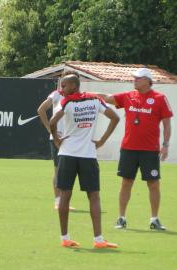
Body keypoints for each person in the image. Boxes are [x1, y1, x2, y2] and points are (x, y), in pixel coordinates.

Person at [97, 68, 173, 230]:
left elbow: (167, 124)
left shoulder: (160, 99)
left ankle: (154, 219)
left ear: (147, 80)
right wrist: (84, 94)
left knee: (153, 184)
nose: (135, 80)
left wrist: (165, 145)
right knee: (126, 183)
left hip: (150, 150)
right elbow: (107, 98)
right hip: (128, 148)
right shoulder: (128, 96)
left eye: (138, 78)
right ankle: (121, 218)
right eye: (134, 78)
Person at [50, 74, 120, 248]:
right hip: (88, 155)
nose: (62, 89)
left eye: (64, 86)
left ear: (74, 86)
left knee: (65, 195)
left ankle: (65, 238)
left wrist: (57, 141)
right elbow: (115, 118)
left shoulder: (66, 102)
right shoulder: (94, 100)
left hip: (67, 154)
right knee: (94, 196)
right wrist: (102, 141)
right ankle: (98, 240)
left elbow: (52, 122)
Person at [37, 70, 79, 210]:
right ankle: (58, 201)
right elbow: (41, 110)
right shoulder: (56, 95)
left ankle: (65, 201)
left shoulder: (79, 98)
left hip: (71, 139)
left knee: (69, 171)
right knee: (58, 170)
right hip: (57, 138)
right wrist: (50, 129)